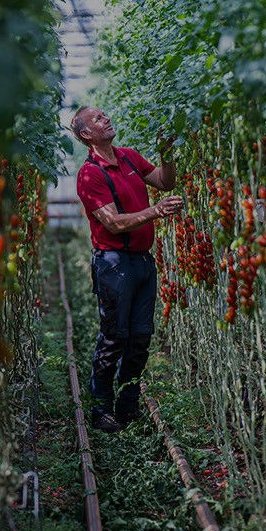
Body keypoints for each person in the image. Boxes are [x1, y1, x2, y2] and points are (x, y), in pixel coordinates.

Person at [70, 106, 181, 432]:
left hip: (142, 262)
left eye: (105, 115)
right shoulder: (89, 174)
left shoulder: (130, 157)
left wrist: (167, 153)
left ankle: (128, 404)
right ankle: (101, 408)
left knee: (140, 338)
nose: (107, 119)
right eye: (98, 119)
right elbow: (113, 223)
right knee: (115, 337)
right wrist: (155, 211)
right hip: (114, 264)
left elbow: (163, 180)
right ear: (86, 134)